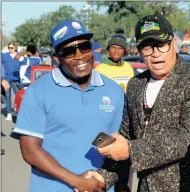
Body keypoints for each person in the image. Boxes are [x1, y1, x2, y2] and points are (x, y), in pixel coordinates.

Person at [80, 14, 190, 192]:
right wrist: (103, 176)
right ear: (139, 50)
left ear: (173, 43)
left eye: (161, 45)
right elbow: (126, 137)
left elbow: (186, 138)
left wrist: (131, 150)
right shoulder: (136, 85)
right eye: (147, 48)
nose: (156, 54)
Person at [13, 20, 124, 192]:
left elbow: (122, 146)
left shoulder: (115, 91)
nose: (80, 56)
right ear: (57, 57)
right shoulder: (37, 91)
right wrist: (76, 181)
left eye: (84, 46)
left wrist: (120, 185)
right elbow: (30, 150)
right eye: (69, 51)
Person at [2, 41, 21, 121]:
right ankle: (9, 113)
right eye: (9, 48)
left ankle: (20, 112)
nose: (10, 49)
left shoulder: (19, 56)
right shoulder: (4, 56)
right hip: (6, 79)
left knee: (19, 96)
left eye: (12, 48)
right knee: (7, 96)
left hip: (16, 79)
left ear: (15, 47)